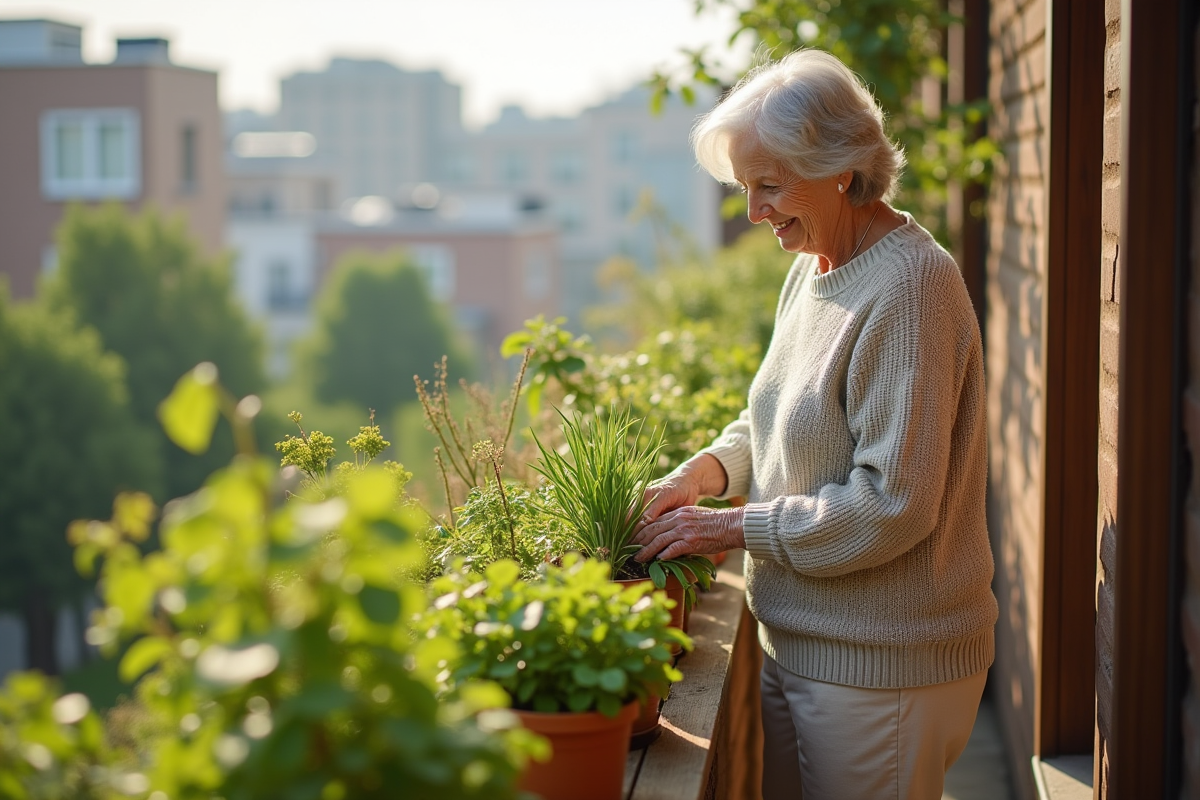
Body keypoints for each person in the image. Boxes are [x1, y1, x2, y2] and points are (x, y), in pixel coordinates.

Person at [631, 49, 998, 800]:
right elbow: (778, 414)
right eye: (744, 189)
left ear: (841, 166)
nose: (753, 212)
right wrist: (702, 474)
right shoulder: (816, 266)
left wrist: (729, 529)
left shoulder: (911, 288)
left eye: (769, 186)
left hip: (883, 671)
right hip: (798, 645)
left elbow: (891, 504)